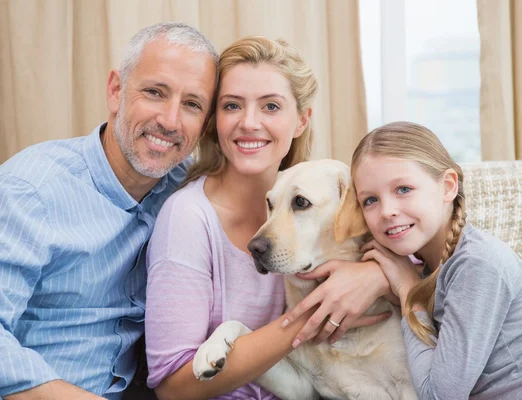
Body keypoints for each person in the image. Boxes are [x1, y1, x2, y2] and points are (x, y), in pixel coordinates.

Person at [144, 36, 393, 400]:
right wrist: (314, 315)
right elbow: (174, 389)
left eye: (271, 106)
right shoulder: (187, 217)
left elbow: (416, 254)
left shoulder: (325, 191)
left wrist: (377, 275)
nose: (249, 123)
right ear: (216, 120)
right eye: (232, 106)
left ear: (301, 120)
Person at [0, 22, 218, 400]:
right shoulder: (29, 189)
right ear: (116, 90)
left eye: (192, 104)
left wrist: (349, 274)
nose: (170, 121)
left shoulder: (191, 192)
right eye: (155, 92)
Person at [349, 121, 522, 398]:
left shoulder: (477, 264)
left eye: (403, 189)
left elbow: (439, 395)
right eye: (370, 200)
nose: (387, 211)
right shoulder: (425, 268)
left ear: (448, 187)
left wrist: (409, 293)